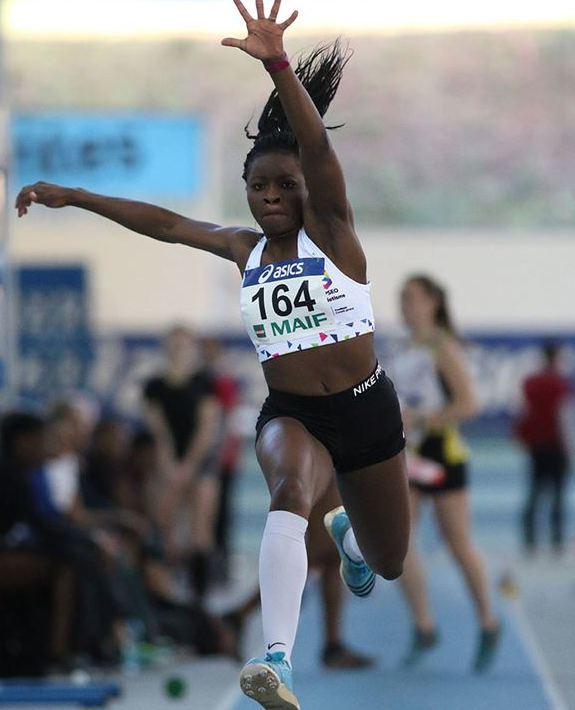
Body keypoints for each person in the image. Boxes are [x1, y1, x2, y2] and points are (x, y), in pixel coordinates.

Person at [15, 1, 410, 706]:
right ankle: (277, 660)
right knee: (288, 494)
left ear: (308, 191)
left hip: (365, 411)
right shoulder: (243, 249)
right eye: (258, 187)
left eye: (285, 186)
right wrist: (74, 195)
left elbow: (317, 151)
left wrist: (278, 64)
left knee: (389, 560)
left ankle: (350, 539)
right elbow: (167, 224)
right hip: (292, 414)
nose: (270, 197)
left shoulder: (333, 237)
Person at [389, 274, 500, 673]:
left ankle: (488, 621)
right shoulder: (400, 348)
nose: (404, 305)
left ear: (433, 302)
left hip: (442, 452)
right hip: (408, 454)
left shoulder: (442, 346)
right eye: (401, 298)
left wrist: (421, 419)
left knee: (457, 543)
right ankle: (424, 626)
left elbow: (469, 404)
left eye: (411, 297)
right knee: (399, 544)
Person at [142, 325, 223, 603]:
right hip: (169, 462)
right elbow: (159, 431)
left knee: (200, 531)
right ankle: (166, 593)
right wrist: (169, 463)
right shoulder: (155, 385)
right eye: (173, 344)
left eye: (183, 344)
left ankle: (200, 598)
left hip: (199, 464)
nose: (178, 350)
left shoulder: (204, 382)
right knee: (164, 527)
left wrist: (189, 464)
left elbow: (207, 428)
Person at [514, 341, 574, 554]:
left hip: (536, 446)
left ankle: (529, 539)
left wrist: (522, 438)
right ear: (556, 358)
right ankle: (556, 540)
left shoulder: (531, 384)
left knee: (534, 492)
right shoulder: (560, 385)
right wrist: (570, 450)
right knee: (557, 494)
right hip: (556, 446)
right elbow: (565, 419)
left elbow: (522, 413)